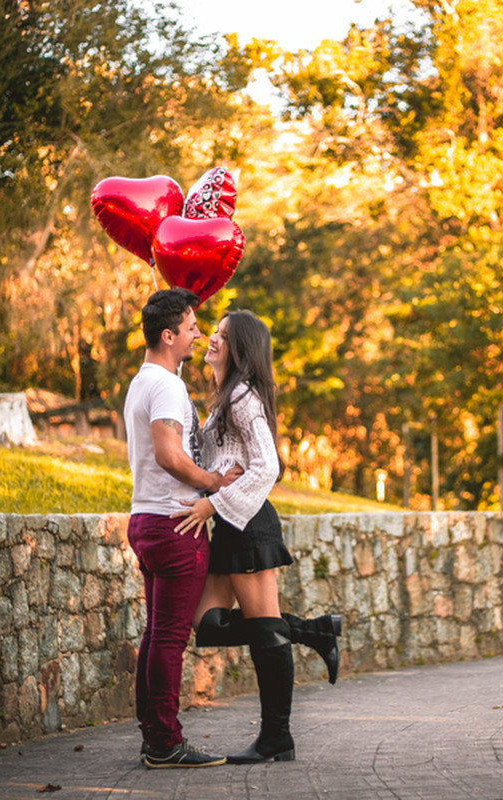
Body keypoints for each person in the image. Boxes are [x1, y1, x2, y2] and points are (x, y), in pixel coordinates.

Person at [171, 309, 342, 764]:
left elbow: (268, 465)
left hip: (247, 523)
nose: (212, 338)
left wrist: (212, 503)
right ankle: (315, 631)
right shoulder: (223, 396)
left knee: (266, 637)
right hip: (230, 525)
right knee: (207, 624)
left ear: (240, 348)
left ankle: (276, 739)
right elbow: (216, 458)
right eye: (214, 331)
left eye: (222, 336)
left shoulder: (243, 396)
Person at [123, 287, 240, 769]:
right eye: (192, 327)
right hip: (175, 523)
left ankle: (154, 735)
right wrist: (214, 485)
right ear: (168, 335)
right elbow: (170, 455)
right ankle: (166, 742)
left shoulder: (142, 381)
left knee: (157, 633)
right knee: (169, 636)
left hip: (147, 519)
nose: (198, 334)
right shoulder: (168, 385)